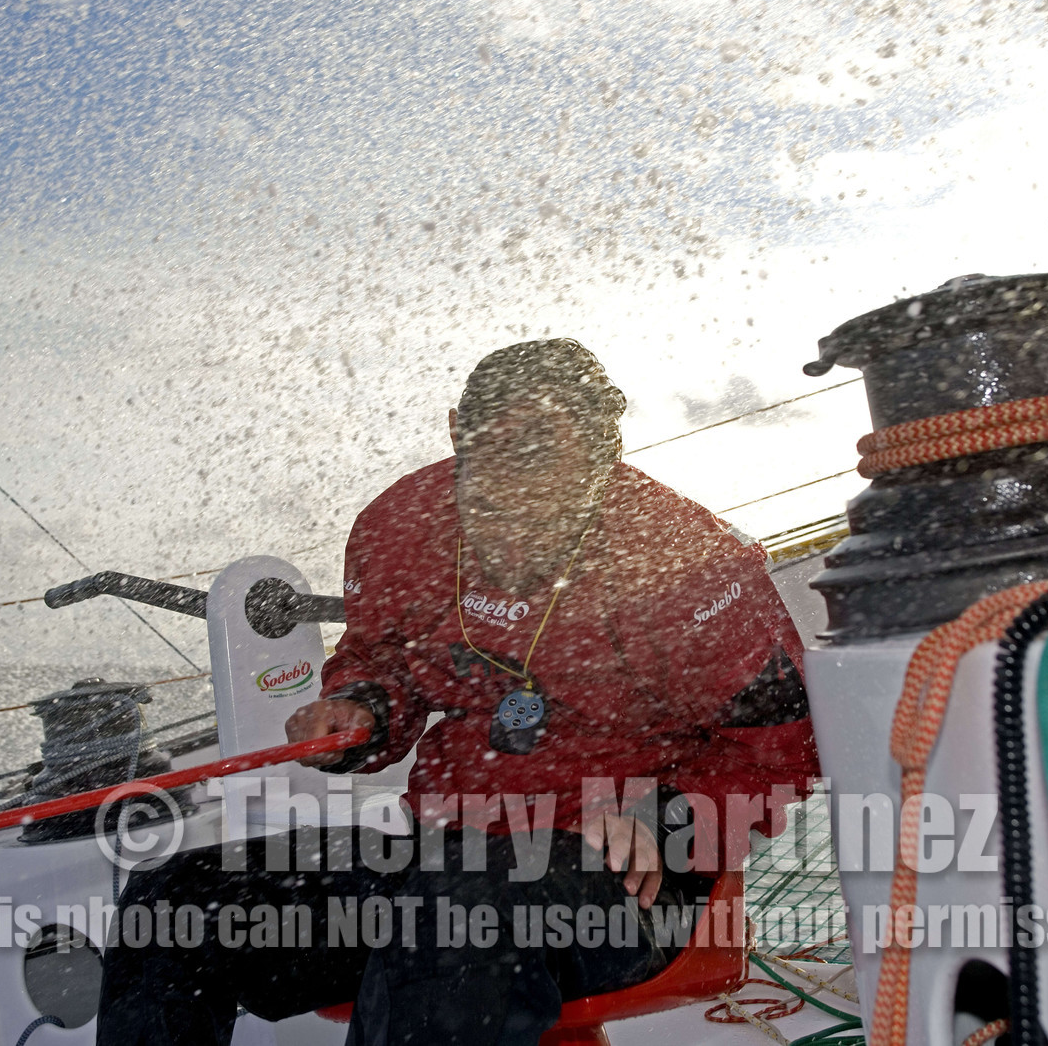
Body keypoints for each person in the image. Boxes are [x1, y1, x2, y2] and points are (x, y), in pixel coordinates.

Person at [95, 339, 817, 1045]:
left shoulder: (684, 561)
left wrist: (667, 817)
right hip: (439, 850)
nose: (517, 490)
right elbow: (384, 659)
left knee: (455, 909)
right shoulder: (403, 524)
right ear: (457, 434)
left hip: (637, 882)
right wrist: (364, 709)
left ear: (603, 458)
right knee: (177, 895)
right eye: (497, 455)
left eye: (546, 455)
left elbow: (784, 751)